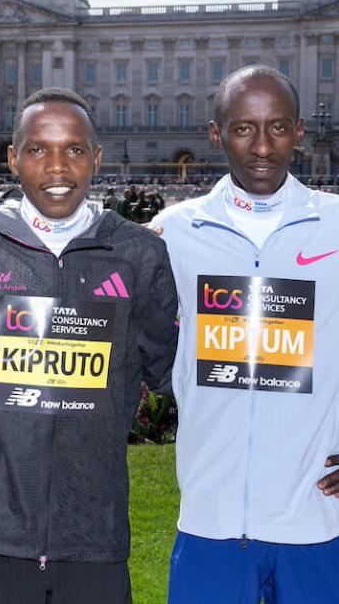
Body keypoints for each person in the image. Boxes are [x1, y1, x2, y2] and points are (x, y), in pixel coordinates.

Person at [0, 88, 178, 604]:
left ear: (96, 158)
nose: (57, 168)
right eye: (38, 150)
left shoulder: (140, 253)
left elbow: (182, 376)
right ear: (14, 158)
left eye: (74, 150)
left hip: (94, 538)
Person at [151, 65, 339, 603]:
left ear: (299, 132)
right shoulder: (173, 230)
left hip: (313, 519)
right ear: (216, 135)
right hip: (209, 517)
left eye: (277, 128)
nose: (262, 147)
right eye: (243, 129)